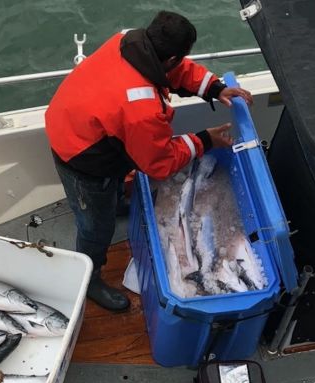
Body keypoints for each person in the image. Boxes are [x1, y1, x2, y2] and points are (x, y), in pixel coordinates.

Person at [45, 11, 253, 312]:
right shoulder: (140, 107)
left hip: (82, 123)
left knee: (112, 187)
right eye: (179, 59)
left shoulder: (130, 42)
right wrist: (205, 140)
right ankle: (89, 277)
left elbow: (173, 71)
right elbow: (159, 163)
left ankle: (114, 202)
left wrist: (215, 88)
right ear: (171, 58)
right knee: (95, 227)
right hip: (80, 156)